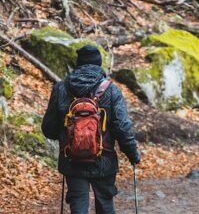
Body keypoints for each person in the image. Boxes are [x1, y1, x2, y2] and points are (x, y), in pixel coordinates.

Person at [42, 45, 141, 214]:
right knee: (105, 203)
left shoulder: (61, 88)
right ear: (99, 64)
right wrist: (132, 153)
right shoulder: (111, 90)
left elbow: (48, 129)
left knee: (78, 204)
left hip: (71, 159)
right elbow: (122, 127)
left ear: (78, 64)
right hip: (105, 159)